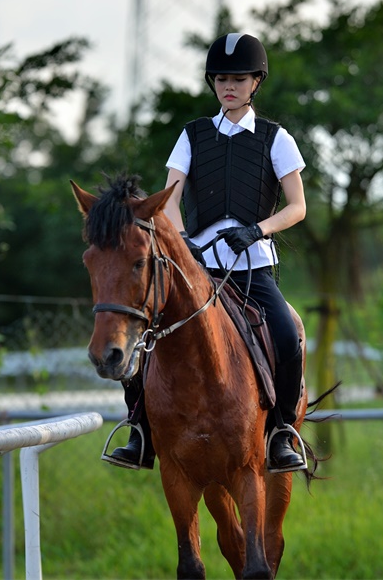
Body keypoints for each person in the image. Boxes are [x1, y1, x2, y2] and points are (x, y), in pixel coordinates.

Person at [105, 32, 309, 472]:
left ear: (256, 82)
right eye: (220, 79)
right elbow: (171, 198)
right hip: (198, 267)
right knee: (146, 338)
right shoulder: (192, 135)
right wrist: (184, 243)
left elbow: (298, 206)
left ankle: (281, 432)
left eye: (238, 79)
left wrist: (257, 230)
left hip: (252, 269)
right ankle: (139, 430)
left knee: (288, 338)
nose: (228, 86)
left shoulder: (277, 139)